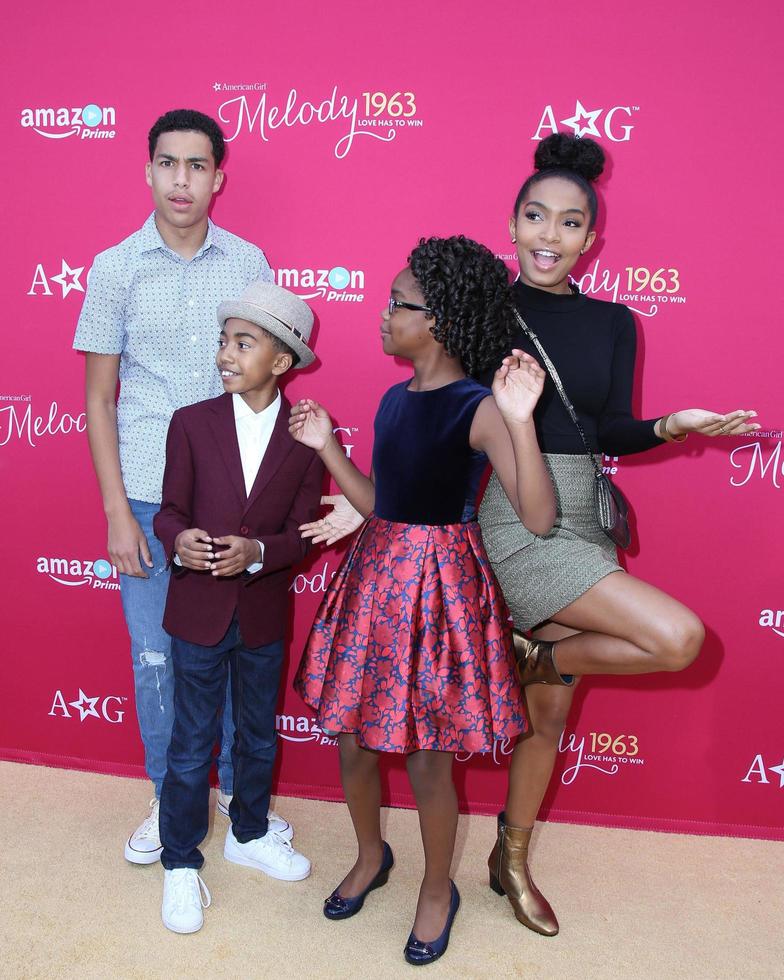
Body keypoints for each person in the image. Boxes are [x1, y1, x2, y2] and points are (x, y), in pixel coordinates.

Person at [476, 133, 760, 936]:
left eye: (569, 224)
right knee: (677, 637)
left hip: (582, 513)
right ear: (513, 221)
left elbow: (605, 428)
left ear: (591, 239)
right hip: (510, 508)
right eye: (536, 217)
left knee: (547, 716)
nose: (549, 236)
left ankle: (511, 855)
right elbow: (444, 418)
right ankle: (542, 659)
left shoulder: (613, 323)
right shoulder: (479, 306)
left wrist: (674, 424)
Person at [290, 236, 556, 966]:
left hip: (441, 596)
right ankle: (372, 855)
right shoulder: (391, 399)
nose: (382, 315)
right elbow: (384, 504)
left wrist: (522, 418)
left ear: (437, 319)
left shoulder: (477, 408)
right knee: (351, 740)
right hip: (376, 581)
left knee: (432, 762)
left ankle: (438, 888)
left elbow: (537, 517)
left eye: (396, 304)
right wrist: (326, 451)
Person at [72, 108, 291, 865]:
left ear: (217, 178)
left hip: (230, 496)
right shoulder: (114, 267)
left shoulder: (248, 260)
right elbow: (100, 399)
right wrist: (116, 514)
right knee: (158, 658)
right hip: (142, 491)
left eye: (197, 166)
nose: (181, 180)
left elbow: (261, 379)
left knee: (229, 651)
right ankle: (171, 795)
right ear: (148, 170)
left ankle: (234, 794)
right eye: (168, 163)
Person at [153, 280, 323, 933]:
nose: (226, 352)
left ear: (281, 361)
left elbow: (302, 534)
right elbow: (169, 512)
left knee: (256, 735)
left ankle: (249, 833)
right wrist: (179, 539)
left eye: (243, 343)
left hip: (261, 614)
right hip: (196, 610)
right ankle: (178, 861)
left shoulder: (308, 435)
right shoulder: (190, 423)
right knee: (193, 741)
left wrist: (256, 550)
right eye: (225, 340)